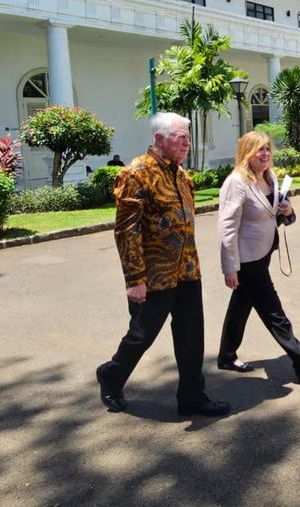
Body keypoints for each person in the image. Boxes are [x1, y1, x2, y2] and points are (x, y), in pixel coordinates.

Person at [95, 112, 230, 418]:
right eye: (180, 138)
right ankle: (111, 375)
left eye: (188, 139)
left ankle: (192, 397)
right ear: (159, 138)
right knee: (141, 336)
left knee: (191, 337)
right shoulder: (136, 173)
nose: (187, 144)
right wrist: (134, 279)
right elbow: (126, 231)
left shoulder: (181, 175)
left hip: (187, 271)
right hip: (154, 276)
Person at [216, 131, 300, 382]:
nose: (266, 154)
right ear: (246, 152)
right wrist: (230, 267)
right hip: (247, 259)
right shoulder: (236, 183)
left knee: (241, 306)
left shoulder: (269, 177)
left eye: (268, 149)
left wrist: (288, 211)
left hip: (264, 252)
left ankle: (226, 356)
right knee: (273, 310)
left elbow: (273, 214)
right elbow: (227, 228)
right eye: (260, 149)